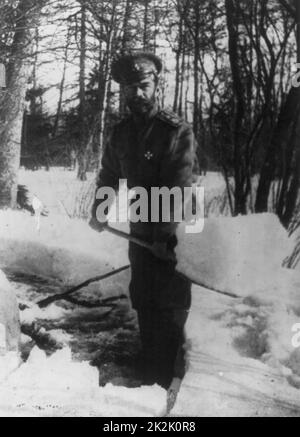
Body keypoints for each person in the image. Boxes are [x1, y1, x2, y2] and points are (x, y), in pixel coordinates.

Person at [89, 52, 199, 391]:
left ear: (156, 86)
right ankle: (150, 361)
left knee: (169, 299)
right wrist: (99, 210)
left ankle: (170, 372)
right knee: (143, 293)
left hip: (175, 226)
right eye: (130, 88)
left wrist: (163, 238)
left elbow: (178, 188)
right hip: (142, 224)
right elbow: (109, 175)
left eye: (144, 86)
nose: (137, 93)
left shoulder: (175, 131)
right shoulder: (121, 133)